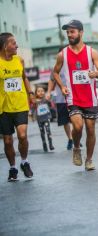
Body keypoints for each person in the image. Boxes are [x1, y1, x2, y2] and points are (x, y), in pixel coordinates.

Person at [52, 20, 98, 171]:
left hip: (90, 98)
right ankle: (76, 147)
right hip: (73, 98)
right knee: (78, 125)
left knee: (90, 129)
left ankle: (88, 160)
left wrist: (95, 73)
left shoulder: (92, 52)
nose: (69, 35)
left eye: (72, 31)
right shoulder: (62, 54)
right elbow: (55, 72)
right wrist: (62, 86)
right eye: (67, 32)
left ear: (81, 33)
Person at [0, 32, 35, 181]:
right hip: (3, 108)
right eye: (13, 43)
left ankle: (24, 162)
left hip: (20, 105)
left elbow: (24, 78)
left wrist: (31, 93)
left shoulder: (19, 60)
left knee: (22, 135)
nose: (17, 46)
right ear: (4, 46)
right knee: (8, 141)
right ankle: (13, 168)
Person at [47, 46, 74, 150]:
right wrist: (48, 92)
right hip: (61, 99)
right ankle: (70, 139)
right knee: (65, 121)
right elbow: (51, 80)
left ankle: (76, 137)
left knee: (76, 120)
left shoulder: (74, 64)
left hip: (75, 98)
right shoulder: (56, 67)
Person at [34, 86, 55, 152]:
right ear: (36, 93)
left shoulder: (45, 100)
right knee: (42, 132)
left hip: (46, 118)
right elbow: (32, 109)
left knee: (48, 131)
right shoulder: (35, 101)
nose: (41, 92)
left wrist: (49, 97)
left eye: (42, 91)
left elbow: (51, 103)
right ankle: (44, 143)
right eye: (39, 91)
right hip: (39, 119)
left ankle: (50, 144)